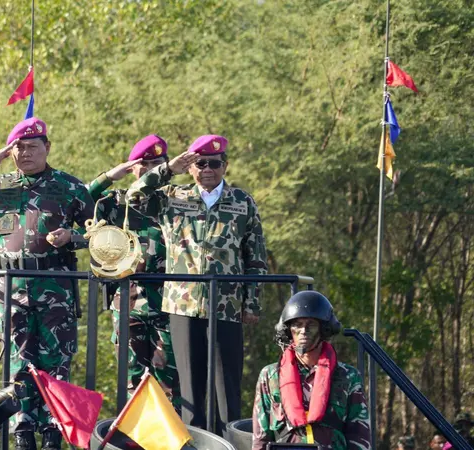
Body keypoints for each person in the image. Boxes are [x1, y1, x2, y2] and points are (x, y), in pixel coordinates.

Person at [0, 117, 93, 450]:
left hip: (56, 288)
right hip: (12, 289)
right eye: (18, 148)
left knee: (57, 359)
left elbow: (103, 234)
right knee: (18, 361)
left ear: (47, 148)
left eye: (32, 146)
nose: (25, 153)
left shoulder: (70, 188)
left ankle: (54, 427)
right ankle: (23, 425)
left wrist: (74, 237)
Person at [128, 134, 268, 433]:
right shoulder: (173, 196)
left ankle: (229, 441)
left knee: (226, 384)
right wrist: (168, 169)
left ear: (225, 166)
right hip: (183, 302)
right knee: (190, 387)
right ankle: (197, 442)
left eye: (214, 164)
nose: (208, 169)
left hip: (227, 304)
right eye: (200, 163)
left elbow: (255, 255)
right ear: (191, 167)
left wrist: (252, 303)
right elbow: (134, 196)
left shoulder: (242, 201)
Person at [87, 134, 180, 406]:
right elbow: (77, 199)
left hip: (171, 301)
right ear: (132, 168)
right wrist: (109, 176)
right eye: (143, 164)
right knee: (132, 379)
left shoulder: (179, 199)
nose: (150, 169)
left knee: (170, 380)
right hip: (129, 301)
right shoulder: (116, 203)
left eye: (157, 163)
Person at [252, 290, 371, 450]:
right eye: (297, 325)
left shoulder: (348, 377)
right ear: (288, 330)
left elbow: (359, 436)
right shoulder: (270, 376)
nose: (303, 331)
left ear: (324, 329)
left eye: (311, 325)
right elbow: (261, 438)